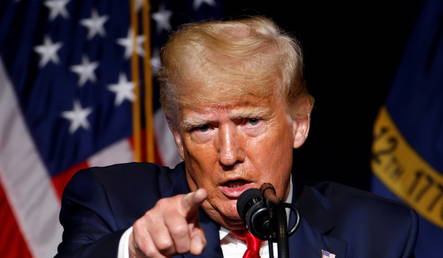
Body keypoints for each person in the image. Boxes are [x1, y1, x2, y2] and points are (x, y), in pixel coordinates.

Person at [55, 16, 418, 258]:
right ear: (177, 136)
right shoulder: (110, 200)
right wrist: (132, 248)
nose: (228, 155)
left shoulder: (380, 232)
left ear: (300, 122)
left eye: (250, 122)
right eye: (203, 128)